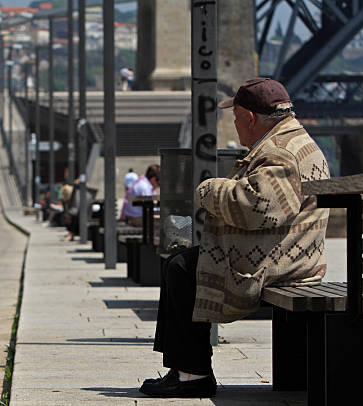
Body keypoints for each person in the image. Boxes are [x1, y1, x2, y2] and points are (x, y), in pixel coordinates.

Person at [139, 78, 330, 398]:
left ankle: (192, 374)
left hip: (281, 263)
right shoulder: (296, 141)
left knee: (182, 268)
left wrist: (208, 190)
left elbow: (258, 207)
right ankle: (184, 369)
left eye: (236, 118)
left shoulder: (278, 152)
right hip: (293, 253)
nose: (235, 125)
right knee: (180, 262)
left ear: (250, 119)